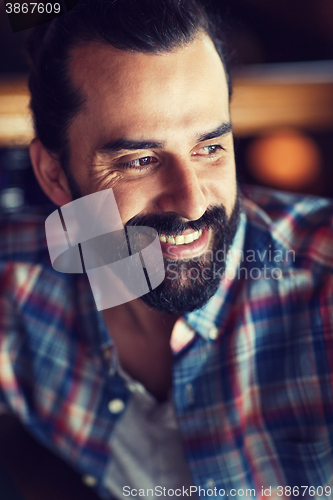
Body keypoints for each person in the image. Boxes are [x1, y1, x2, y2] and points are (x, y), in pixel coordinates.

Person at [0, 0, 333, 498]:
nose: (193, 202)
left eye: (210, 148)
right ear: (54, 175)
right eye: (139, 159)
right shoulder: (20, 282)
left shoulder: (321, 283)